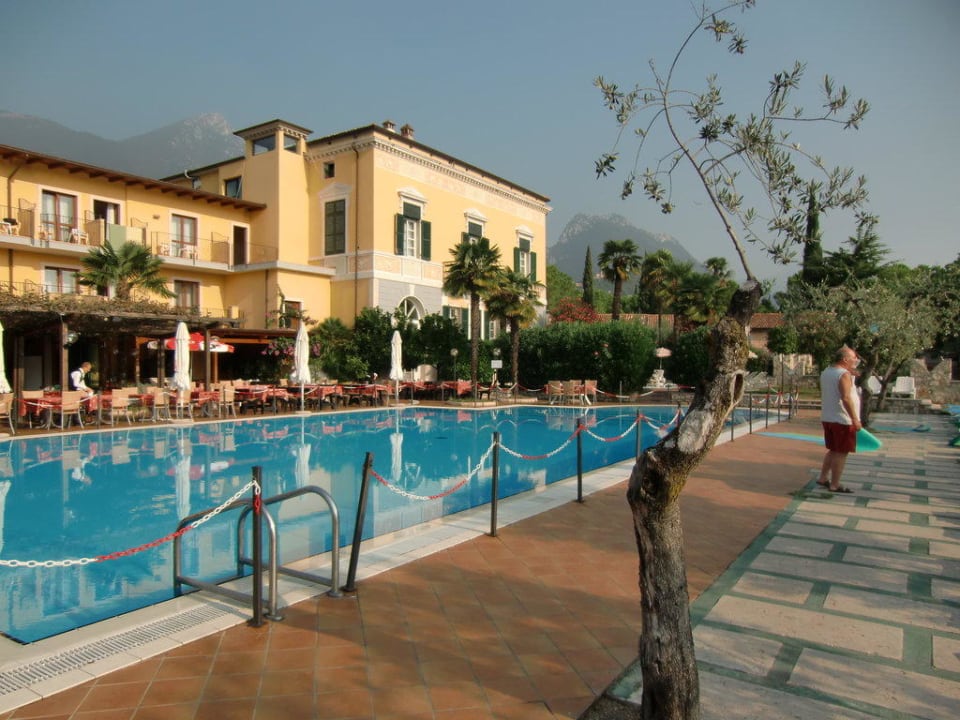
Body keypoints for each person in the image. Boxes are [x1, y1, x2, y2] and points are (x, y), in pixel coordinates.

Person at [817, 346, 862, 493]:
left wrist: (851, 373)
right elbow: (846, 397)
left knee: (833, 450)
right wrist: (855, 418)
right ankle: (835, 484)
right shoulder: (843, 374)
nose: (856, 361)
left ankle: (823, 478)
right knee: (841, 452)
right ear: (844, 359)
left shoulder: (827, 371)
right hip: (842, 419)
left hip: (829, 417)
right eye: (853, 358)